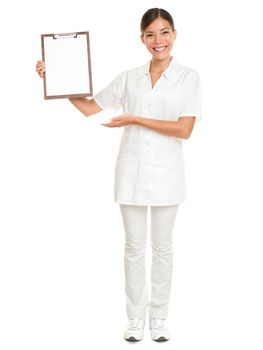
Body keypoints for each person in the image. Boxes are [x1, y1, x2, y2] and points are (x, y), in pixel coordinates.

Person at [36, 7, 201, 342]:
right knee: (133, 247)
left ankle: (159, 317)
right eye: (151, 34)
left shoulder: (189, 77)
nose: (159, 40)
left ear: (174, 34)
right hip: (131, 172)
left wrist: (135, 119)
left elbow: (184, 129)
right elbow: (89, 107)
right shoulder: (129, 77)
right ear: (142, 38)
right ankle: (135, 318)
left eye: (165, 32)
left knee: (163, 248)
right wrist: (53, 79)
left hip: (169, 175)